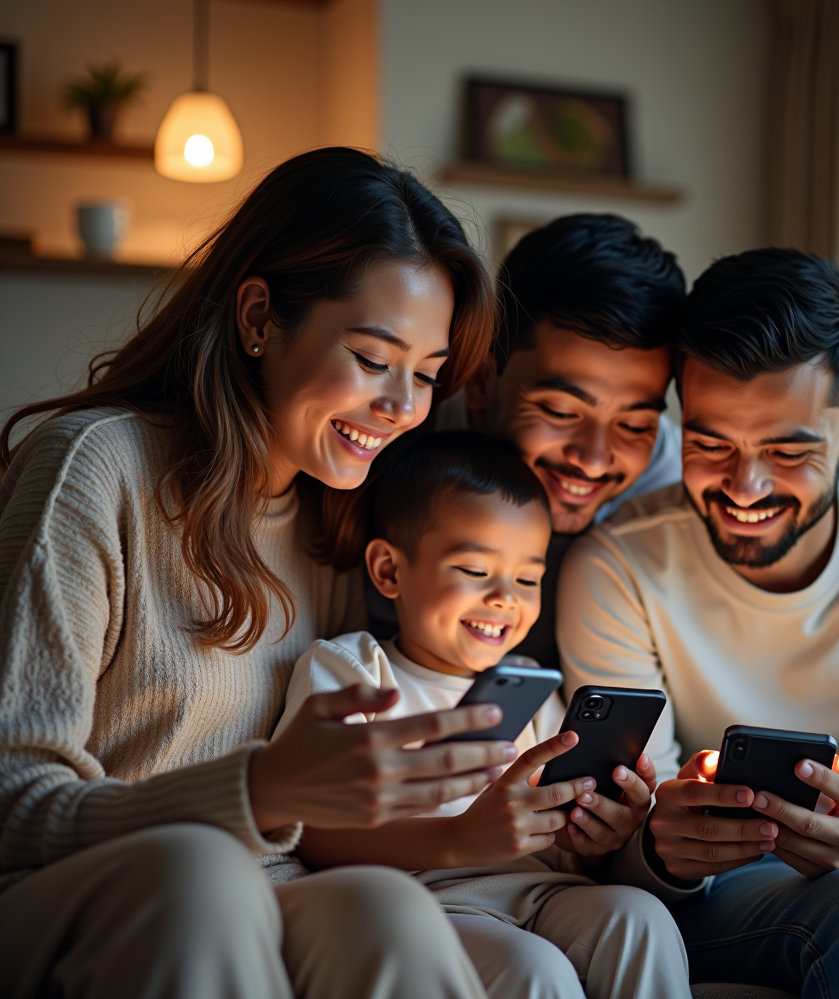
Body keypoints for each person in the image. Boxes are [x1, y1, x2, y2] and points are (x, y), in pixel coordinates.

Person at [0, 148, 521, 999]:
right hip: (70, 895)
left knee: (384, 911)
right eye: (370, 355)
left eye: (426, 376)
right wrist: (256, 788)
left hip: (260, 890)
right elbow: (10, 805)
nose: (402, 406)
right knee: (203, 876)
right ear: (257, 317)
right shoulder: (96, 468)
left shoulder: (338, 522)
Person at [557, 248, 839, 996]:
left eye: (788, 449)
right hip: (725, 893)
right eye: (710, 444)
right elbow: (623, 829)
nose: (745, 486)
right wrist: (665, 846)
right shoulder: (616, 564)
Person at [280, 431, 691, 999]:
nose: (505, 598)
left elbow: (561, 830)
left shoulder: (531, 683)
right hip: (424, 904)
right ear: (389, 571)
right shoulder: (353, 670)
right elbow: (311, 833)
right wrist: (458, 837)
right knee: (534, 971)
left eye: (528, 579)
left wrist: (596, 830)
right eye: (475, 571)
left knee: (638, 918)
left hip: (539, 889)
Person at [368, 213, 687, 669]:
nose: (594, 461)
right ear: (481, 379)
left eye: (634, 426)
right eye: (560, 411)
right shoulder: (395, 441)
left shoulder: (677, 489)